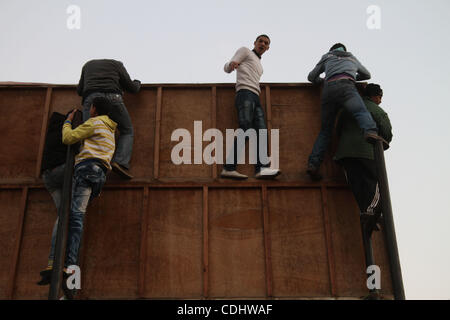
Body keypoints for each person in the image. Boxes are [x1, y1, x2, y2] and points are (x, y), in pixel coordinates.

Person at [59, 97, 117, 299]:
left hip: (86, 170)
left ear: (94, 109)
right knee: (78, 218)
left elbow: (68, 138)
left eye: (91, 107)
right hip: (99, 176)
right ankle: (70, 281)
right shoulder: (110, 130)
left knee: (75, 222)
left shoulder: (94, 122)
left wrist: (67, 122)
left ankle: (70, 275)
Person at [306, 43, 381, 181]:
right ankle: (370, 131)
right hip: (347, 87)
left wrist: (321, 81)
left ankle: (313, 164)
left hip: (328, 89)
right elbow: (367, 74)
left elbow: (311, 77)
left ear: (331, 50)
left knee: (325, 131)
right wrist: (352, 75)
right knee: (360, 112)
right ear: (344, 50)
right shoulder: (351, 58)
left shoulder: (327, 57)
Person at [221, 34, 280, 179]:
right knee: (246, 128)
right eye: (260, 41)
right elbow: (227, 68)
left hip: (256, 96)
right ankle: (229, 168)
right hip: (244, 93)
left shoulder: (260, 66)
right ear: (255, 43)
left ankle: (262, 169)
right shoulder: (245, 51)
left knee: (261, 132)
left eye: (266, 43)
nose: (262, 44)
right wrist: (232, 64)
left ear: (268, 48)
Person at [334, 83, 392, 230]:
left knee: (356, 183)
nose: (380, 101)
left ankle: (365, 212)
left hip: (345, 153)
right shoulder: (377, 110)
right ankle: (372, 212)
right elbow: (387, 134)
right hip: (366, 152)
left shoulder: (348, 107)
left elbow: (338, 127)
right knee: (376, 183)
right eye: (380, 97)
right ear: (375, 96)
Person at [77, 59, 140, 179]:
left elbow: (80, 91)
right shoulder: (117, 65)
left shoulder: (87, 65)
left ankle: (87, 164)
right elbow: (132, 88)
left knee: (87, 133)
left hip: (91, 100)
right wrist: (137, 82)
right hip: (113, 98)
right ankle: (120, 162)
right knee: (127, 130)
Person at [37, 112, 70, 286]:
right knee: (68, 215)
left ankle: (52, 262)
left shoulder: (51, 131)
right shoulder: (66, 130)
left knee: (62, 216)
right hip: (61, 171)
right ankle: (58, 261)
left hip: (47, 176)